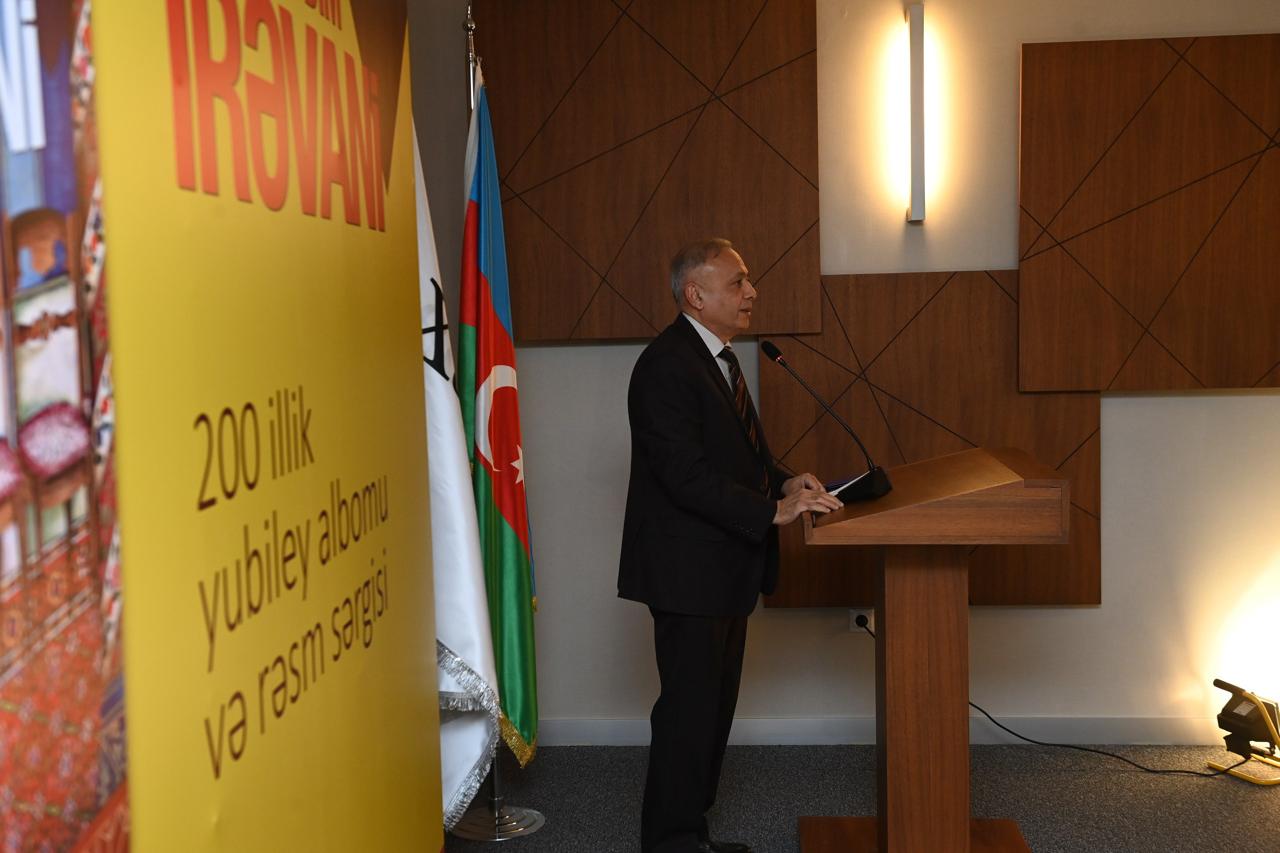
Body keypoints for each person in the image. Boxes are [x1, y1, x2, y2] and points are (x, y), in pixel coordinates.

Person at [618, 239, 842, 853]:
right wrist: (772, 511)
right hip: (687, 573)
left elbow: (740, 458)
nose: (752, 292)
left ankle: (692, 833)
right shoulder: (666, 366)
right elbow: (684, 476)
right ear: (696, 295)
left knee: (712, 712)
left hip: (723, 568)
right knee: (688, 715)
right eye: (738, 282)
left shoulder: (720, 360)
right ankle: (671, 842)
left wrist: (784, 481)